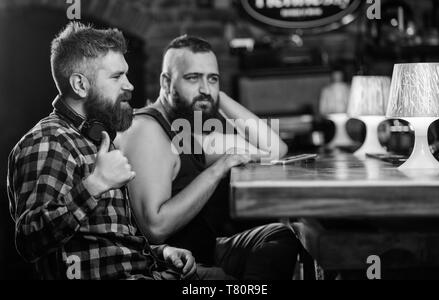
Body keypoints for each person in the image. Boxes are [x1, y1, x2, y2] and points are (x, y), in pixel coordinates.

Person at [6, 22, 196, 280]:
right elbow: (30, 240)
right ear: (80, 85)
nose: (129, 86)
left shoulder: (95, 138)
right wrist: (96, 184)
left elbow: (101, 243)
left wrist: (159, 253)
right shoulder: (49, 141)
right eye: (117, 77)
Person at [117, 35, 301, 280]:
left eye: (212, 78)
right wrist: (218, 168)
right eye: (193, 78)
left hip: (205, 249)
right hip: (170, 266)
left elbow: (274, 148)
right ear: (166, 81)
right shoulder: (146, 130)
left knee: (278, 237)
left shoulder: (184, 131)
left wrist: (214, 97)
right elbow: (155, 228)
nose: (204, 88)